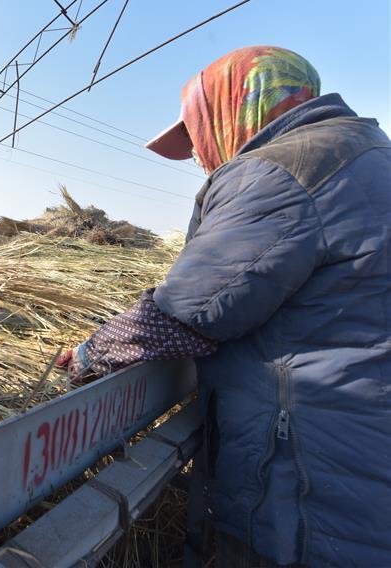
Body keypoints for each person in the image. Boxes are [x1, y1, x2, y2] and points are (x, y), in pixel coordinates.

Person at [57, 46, 390, 566]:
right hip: (363, 455)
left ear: (238, 104)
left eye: (196, 132)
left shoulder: (283, 170)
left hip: (308, 479)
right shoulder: (364, 155)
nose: (197, 154)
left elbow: (190, 313)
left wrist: (89, 355)